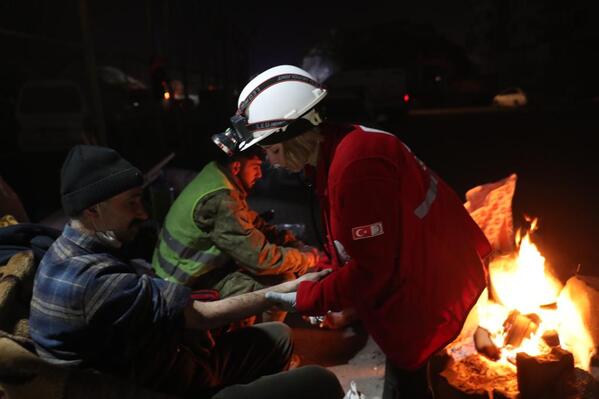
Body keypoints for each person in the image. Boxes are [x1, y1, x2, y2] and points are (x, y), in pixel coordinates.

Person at [210, 65, 493, 398]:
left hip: (428, 284)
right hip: (427, 268)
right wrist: (327, 273)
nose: (270, 162)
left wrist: (308, 298)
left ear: (297, 134)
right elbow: (354, 245)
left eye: (271, 150)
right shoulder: (342, 148)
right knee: (409, 376)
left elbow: (373, 270)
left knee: (410, 380)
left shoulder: (355, 170)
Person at [28, 145, 343, 399]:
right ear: (93, 210)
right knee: (321, 382)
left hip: (163, 365)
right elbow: (203, 313)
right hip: (165, 387)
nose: (143, 212)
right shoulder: (97, 283)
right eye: (132, 202)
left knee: (280, 336)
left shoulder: (63, 252)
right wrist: (288, 289)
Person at [152, 144, 320, 322]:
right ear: (237, 167)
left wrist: (291, 242)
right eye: (255, 167)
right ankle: (260, 342)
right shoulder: (220, 200)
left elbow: (253, 224)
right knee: (281, 283)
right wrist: (306, 259)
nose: (260, 174)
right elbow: (260, 259)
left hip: (180, 274)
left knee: (274, 272)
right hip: (183, 287)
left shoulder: (216, 177)